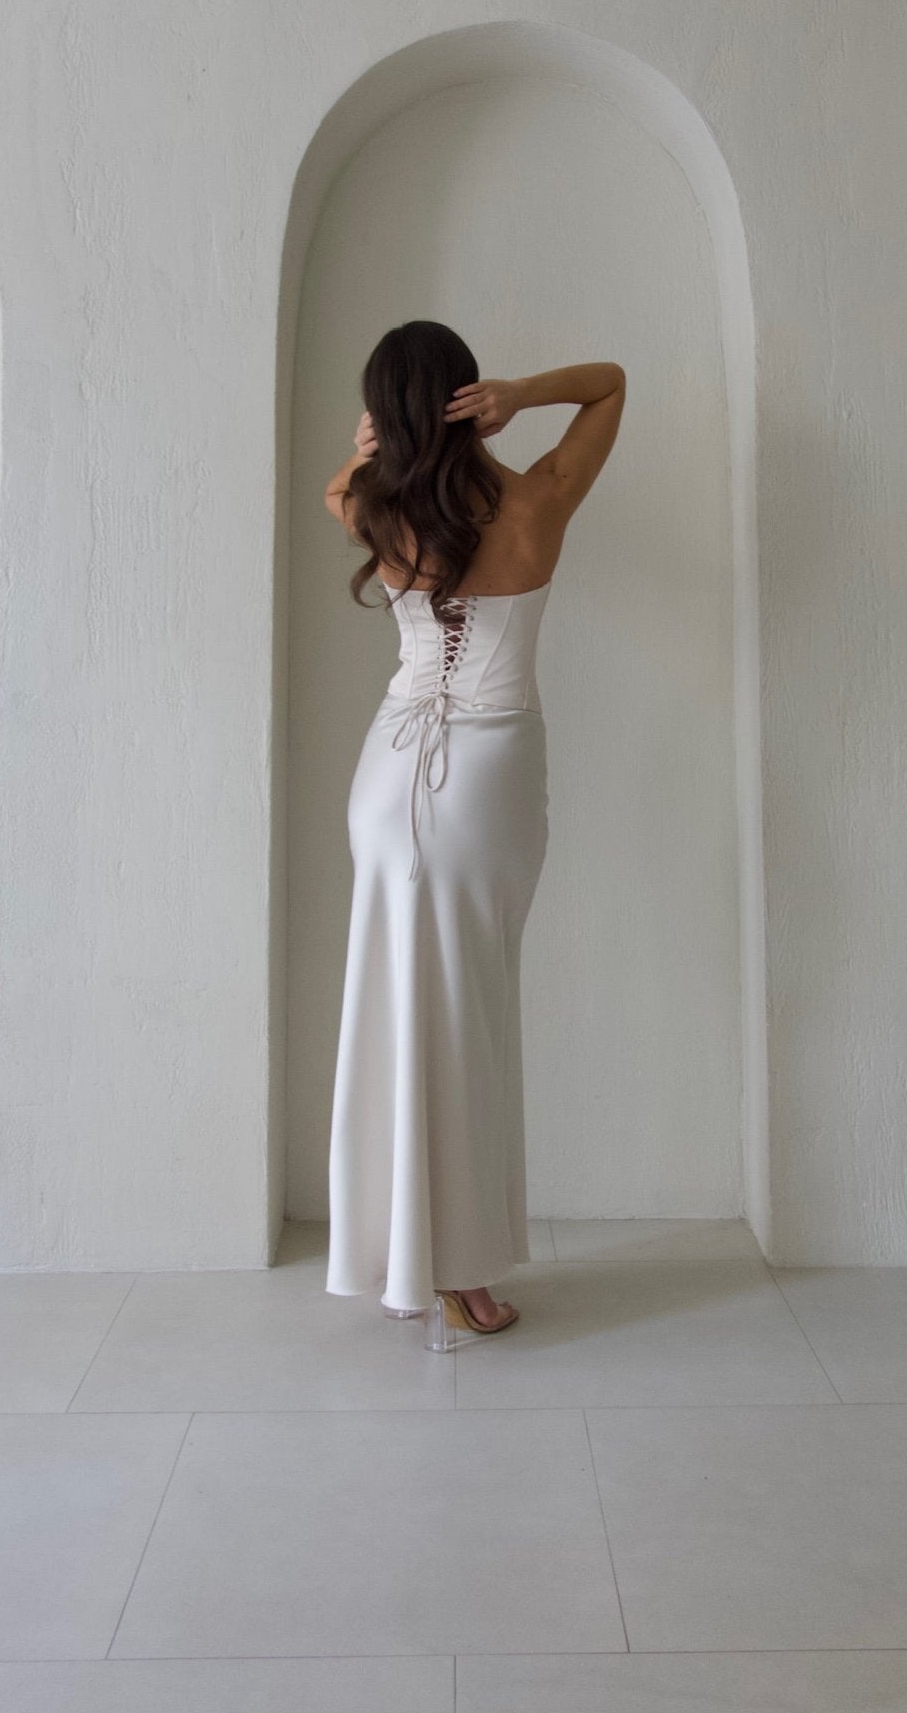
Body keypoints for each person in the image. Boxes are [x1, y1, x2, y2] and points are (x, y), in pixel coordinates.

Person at [322, 320, 625, 1334]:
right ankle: (458, 1273)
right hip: (484, 783)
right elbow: (611, 384)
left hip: (386, 777)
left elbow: (335, 491)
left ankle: (401, 1252)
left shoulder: (374, 505)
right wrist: (523, 391)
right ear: (469, 398)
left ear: (387, 414)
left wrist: (369, 449)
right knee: (465, 1016)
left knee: (394, 1006)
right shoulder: (539, 500)